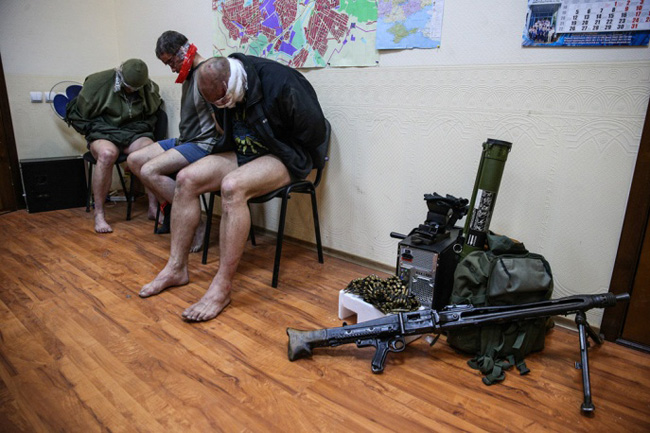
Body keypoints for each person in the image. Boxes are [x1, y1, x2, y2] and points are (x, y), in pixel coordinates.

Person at [139, 55, 327, 322]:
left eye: (223, 100)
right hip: (244, 151)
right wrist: (221, 109)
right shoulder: (217, 87)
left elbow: (315, 133)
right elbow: (222, 127)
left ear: (230, 82)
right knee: (186, 178)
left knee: (232, 187)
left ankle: (222, 287)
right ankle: (176, 268)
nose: (221, 106)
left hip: (285, 156)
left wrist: (278, 148)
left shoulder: (282, 82)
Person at [128, 31, 219, 247]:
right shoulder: (189, 75)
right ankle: (173, 209)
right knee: (134, 160)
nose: (171, 68)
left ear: (182, 52)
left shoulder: (206, 73)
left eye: (170, 62)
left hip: (203, 143)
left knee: (149, 171)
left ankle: (197, 223)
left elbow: (220, 122)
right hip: (186, 139)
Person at [65, 59, 162, 233]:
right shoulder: (97, 83)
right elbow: (82, 112)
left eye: (136, 88)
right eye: (129, 87)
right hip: (104, 129)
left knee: (150, 151)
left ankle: (153, 207)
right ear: (120, 76)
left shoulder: (148, 87)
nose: (131, 91)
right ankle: (99, 214)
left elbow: (151, 109)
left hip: (133, 129)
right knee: (107, 154)